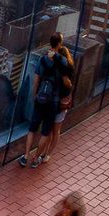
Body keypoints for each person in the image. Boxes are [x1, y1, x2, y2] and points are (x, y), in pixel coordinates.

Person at [18, 48, 70, 167]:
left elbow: (36, 81)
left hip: (41, 101)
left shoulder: (44, 62)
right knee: (46, 132)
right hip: (53, 104)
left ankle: (26, 156)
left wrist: (34, 96)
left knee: (32, 129)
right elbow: (67, 88)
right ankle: (36, 159)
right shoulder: (64, 70)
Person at [39, 34, 77, 164]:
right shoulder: (67, 71)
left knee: (53, 129)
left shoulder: (65, 71)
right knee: (54, 129)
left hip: (58, 102)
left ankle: (47, 153)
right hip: (57, 102)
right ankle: (46, 153)